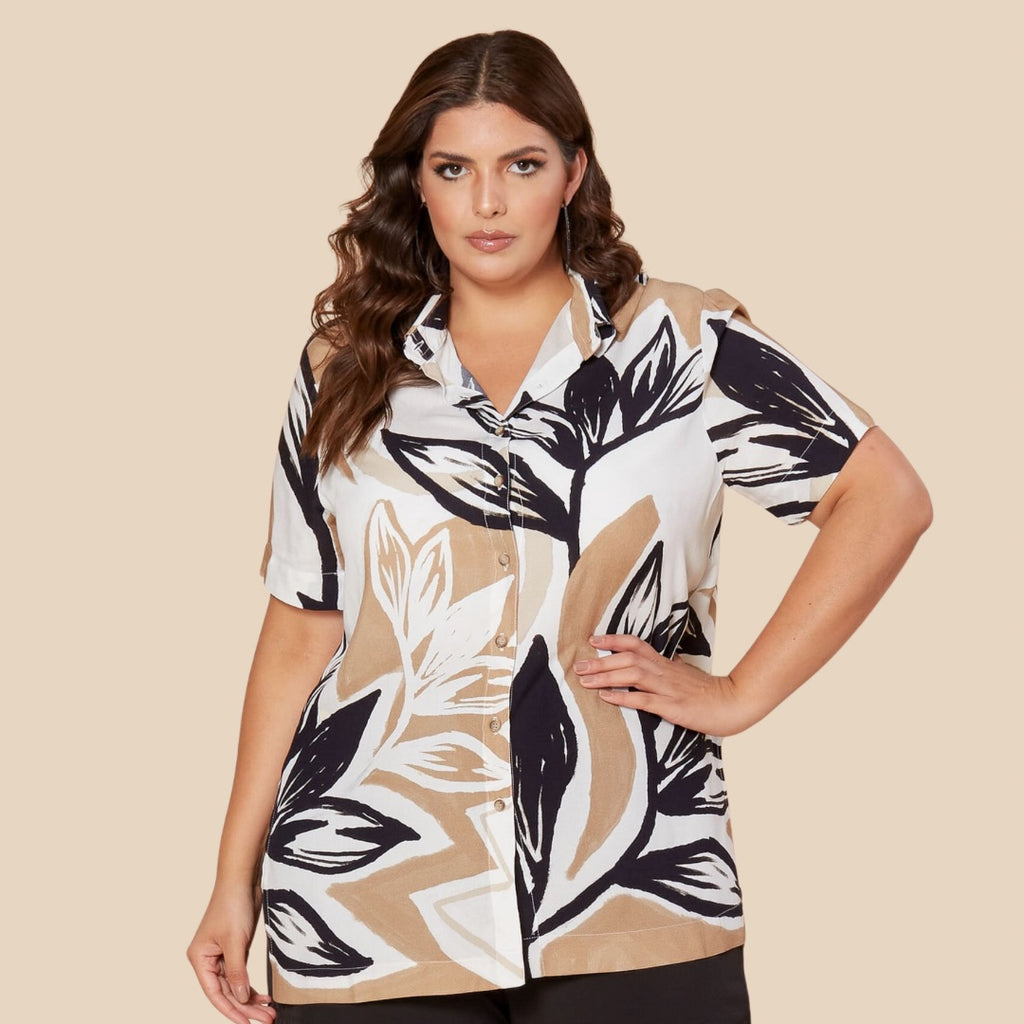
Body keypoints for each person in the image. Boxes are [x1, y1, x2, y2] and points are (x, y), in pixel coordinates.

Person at [186, 29, 931, 1024]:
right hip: (367, 904)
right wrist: (231, 880)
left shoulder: (684, 344)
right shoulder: (344, 367)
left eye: (523, 165)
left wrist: (741, 692)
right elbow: (303, 626)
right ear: (417, 184)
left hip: (634, 886)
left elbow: (884, 497)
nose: (487, 203)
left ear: (573, 173)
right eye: (454, 169)